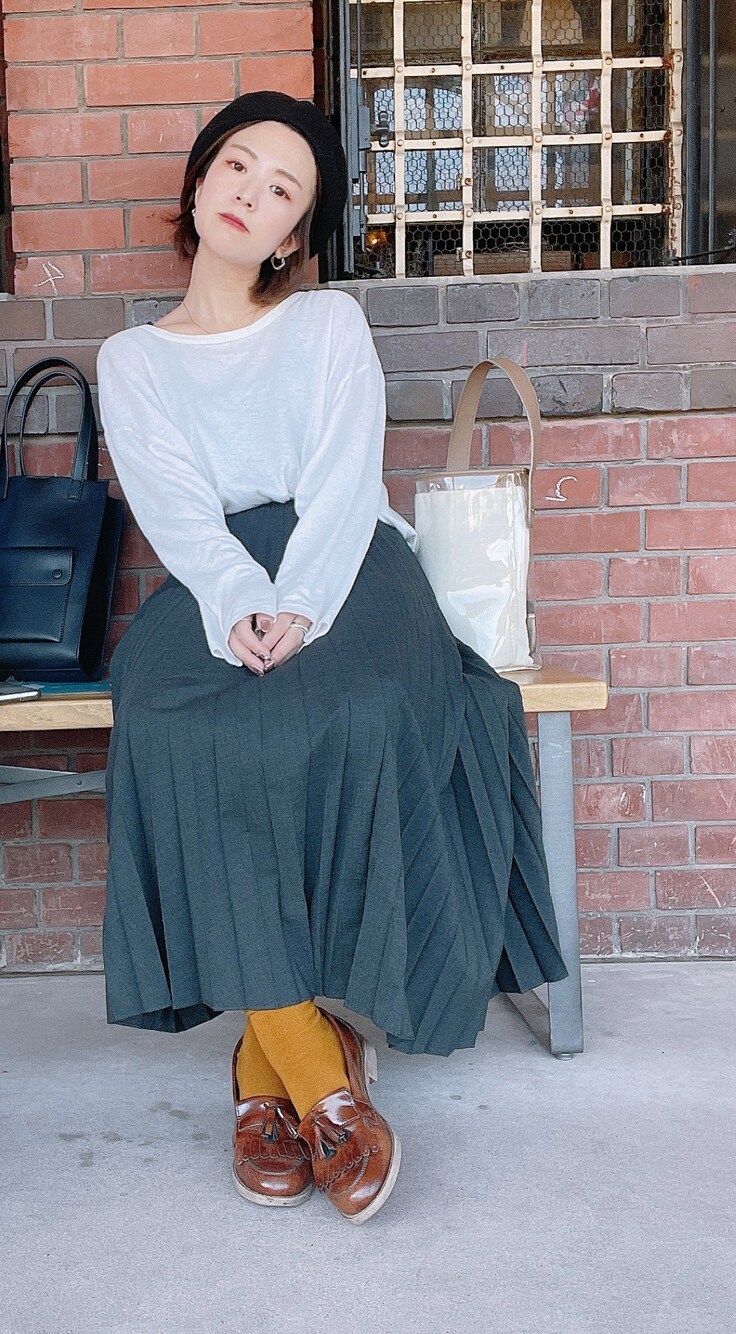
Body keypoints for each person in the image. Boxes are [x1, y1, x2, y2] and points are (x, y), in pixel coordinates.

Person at [94, 91, 569, 1225]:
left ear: (294, 235)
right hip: (214, 573)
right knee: (172, 722)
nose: (247, 194)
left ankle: (264, 1075)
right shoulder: (133, 357)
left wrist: (300, 604)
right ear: (198, 179)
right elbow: (175, 508)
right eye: (236, 166)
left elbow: (346, 479)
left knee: (350, 710)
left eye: (280, 190)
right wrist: (239, 601)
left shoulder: (326, 325)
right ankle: (318, 1070)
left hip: (351, 559)